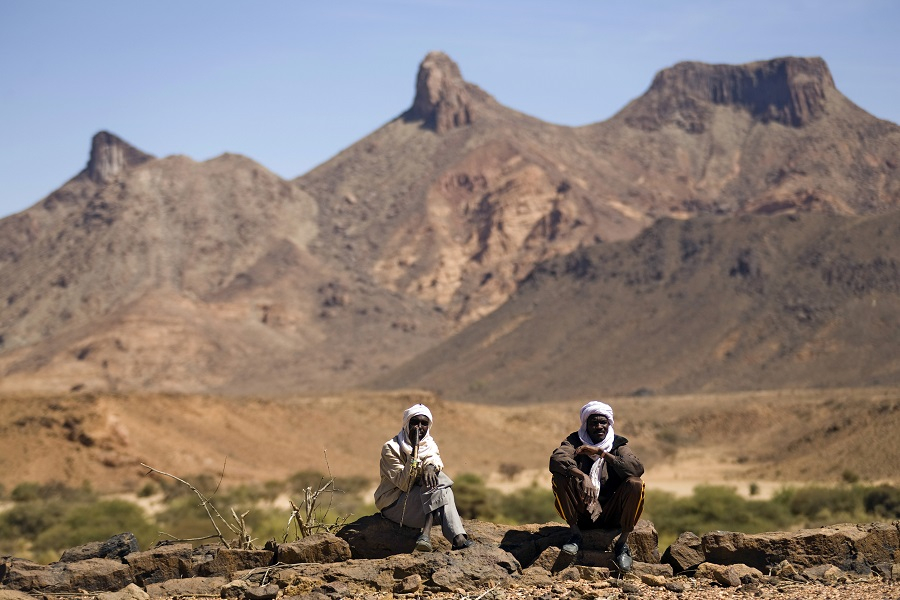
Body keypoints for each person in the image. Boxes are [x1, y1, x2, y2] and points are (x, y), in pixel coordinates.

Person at [549, 400, 645, 572]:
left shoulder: (618, 445)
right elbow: (557, 459)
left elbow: (636, 469)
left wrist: (602, 453)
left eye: (603, 422)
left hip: (611, 513)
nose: (599, 426)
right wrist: (582, 475)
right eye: (594, 423)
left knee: (636, 484)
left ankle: (622, 544)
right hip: (583, 511)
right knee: (559, 478)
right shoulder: (574, 441)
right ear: (586, 424)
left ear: (609, 424)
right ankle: (575, 535)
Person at [374, 403, 474, 552]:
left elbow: (434, 461)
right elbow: (404, 484)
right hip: (395, 503)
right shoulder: (391, 448)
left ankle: (427, 535)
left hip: (419, 501)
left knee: (438, 481)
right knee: (442, 486)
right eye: (414, 422)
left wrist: (429, 467)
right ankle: (452, 537)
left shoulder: (430, 445)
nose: (419, 427)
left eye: (424, 423)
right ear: (407, 423)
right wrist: (414, 450)